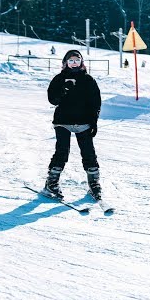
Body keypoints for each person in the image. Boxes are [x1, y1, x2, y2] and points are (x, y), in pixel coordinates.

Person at [44, 49, 102, 200]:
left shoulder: (88, 80)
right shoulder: (58, 79)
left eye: (77, 60)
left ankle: (94, 182)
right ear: (65, 63)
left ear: (81, 62)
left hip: (83, 122)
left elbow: (95, 102)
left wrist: (94, 121)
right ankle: (52, 182)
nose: (74, 63)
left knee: (88, 152)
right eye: (71, 60)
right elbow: (52, 100)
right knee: (62, 151)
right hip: (62, 121)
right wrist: (63, 91)